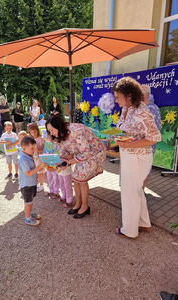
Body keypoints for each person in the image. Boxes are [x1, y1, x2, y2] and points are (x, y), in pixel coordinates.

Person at [112, 77, 161, 238]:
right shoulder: (128, 109)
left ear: (129, 96)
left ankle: (130, 230)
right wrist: (117, 137)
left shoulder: (142, 111)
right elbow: (127, 130)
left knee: (129, 193)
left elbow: (154, 137)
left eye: (118, 96)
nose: (116, 100)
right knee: (136, 191)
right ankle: (143, 223)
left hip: (138, 158)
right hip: (129, 156)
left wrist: (128, 145)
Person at [46, 115, 106, 218]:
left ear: (58, 126)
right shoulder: (60, 135)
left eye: (52, 130)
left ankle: (85, 206)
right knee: (76, 178)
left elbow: (86, 152)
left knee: (81, 178)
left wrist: (69, 162)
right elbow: (63, 152)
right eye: (49, 131)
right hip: (82, 154)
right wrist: (59, 162)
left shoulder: (75, 131)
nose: (51, 133)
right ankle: (78, 203)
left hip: (95, 153)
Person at [19, 136, 46, 226]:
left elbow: (32, 170)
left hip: (31, 183)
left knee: (30, 201)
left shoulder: (28, 155)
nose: (34, 150)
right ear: (23, 147)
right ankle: (27, 218)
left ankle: (29, 214)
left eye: (34, 148)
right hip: (27, 185)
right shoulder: (23, 159)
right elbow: (28, 173)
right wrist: (39, 167)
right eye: (32, 148)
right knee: (28, 203)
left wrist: (37, 176)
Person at [27, 123, 45, 192]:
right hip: (33, 158)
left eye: (34, 132)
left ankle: (41, 185)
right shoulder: (31, 139)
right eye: (31, 132)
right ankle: (36, 184)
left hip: (39, 158)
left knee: (40, 172)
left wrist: (38, 150)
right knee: (35, 171)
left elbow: (45, 150)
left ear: (37, 130)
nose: (33, 133)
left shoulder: (41, 138)